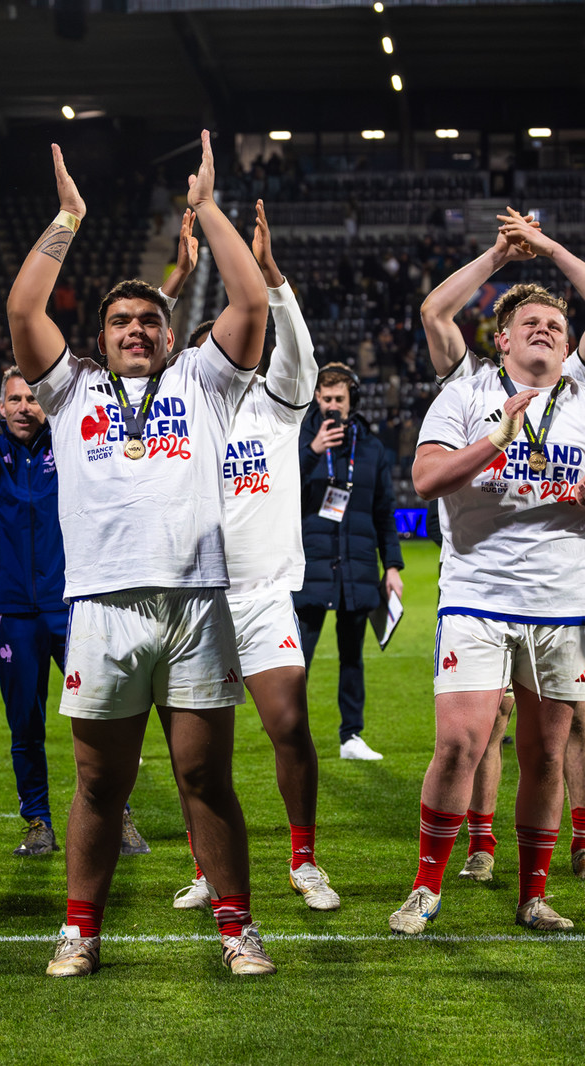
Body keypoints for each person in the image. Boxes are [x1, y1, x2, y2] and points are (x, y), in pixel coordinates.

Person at [7, 133, 275, 977]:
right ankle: (79, 930)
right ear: (102, 333)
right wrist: (68, 219)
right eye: (121, 320)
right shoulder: (70, 387)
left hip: (196, 602)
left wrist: (202, 206)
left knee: (205, 779)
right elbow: (23, 313)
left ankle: (237, 929)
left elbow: (251, 300)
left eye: (149, 320)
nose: (135, 328)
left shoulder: (203, 378)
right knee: (98, 787)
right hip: (102, 604)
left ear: (167, 334)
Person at [400, 276, 585, 935]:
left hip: (563, 603)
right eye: (530, 322)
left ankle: (533, 895)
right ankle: (426, 889)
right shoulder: (466, 395)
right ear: (501, 339)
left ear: (567, 347)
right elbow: (426, 479)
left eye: (556, 326)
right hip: (476, 596)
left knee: (545, 751)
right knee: (459, 744)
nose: (545, 330)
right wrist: (497, 438)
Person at [0, 322, 149, 858]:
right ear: (1, 407)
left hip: (74, 607)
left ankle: (119, 814)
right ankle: (38, 821)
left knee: (99, 717)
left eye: (32, 398)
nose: (24, 407)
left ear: (46, 401)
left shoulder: (72, 449)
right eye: (14, 399)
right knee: (26, 723)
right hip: (13, 613)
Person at [159, 201, 335, 910]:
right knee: (196, 751)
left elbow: (303, 358)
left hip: (261, 594)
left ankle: (303, 858)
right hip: (193, 596)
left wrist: (273, 280)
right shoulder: (178, 408)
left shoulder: (276, 405)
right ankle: (207, 865)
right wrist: (174, 281)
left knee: (288, 722)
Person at [295, 362, 404, 761]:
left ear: (351, 400)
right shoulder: (298, 438)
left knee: (352, 658)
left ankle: (351, 737)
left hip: (357, 569)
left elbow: (384, 511)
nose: (333, 406)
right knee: (296, 661)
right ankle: (292, 735)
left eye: (340, 399)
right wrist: (312, 452)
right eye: (326, 398)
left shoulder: (370, 447)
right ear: (315, 399)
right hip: (311, 567)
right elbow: (278, 491)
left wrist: (392, 566)